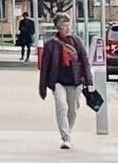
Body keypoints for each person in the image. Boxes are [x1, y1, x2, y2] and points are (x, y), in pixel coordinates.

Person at [36, 12, 95, 148]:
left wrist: (89, 81)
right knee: (62, 107)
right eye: (64, 26)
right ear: (58, 28)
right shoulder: (51, 45)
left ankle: (68, 131)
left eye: (69, 25)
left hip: (75, 81)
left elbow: (85, 62)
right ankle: (66, 137)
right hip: (58, 81)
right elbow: (45, 67)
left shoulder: (77, 42)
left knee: (72, 110)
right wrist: (42, 87)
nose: (67, 29)